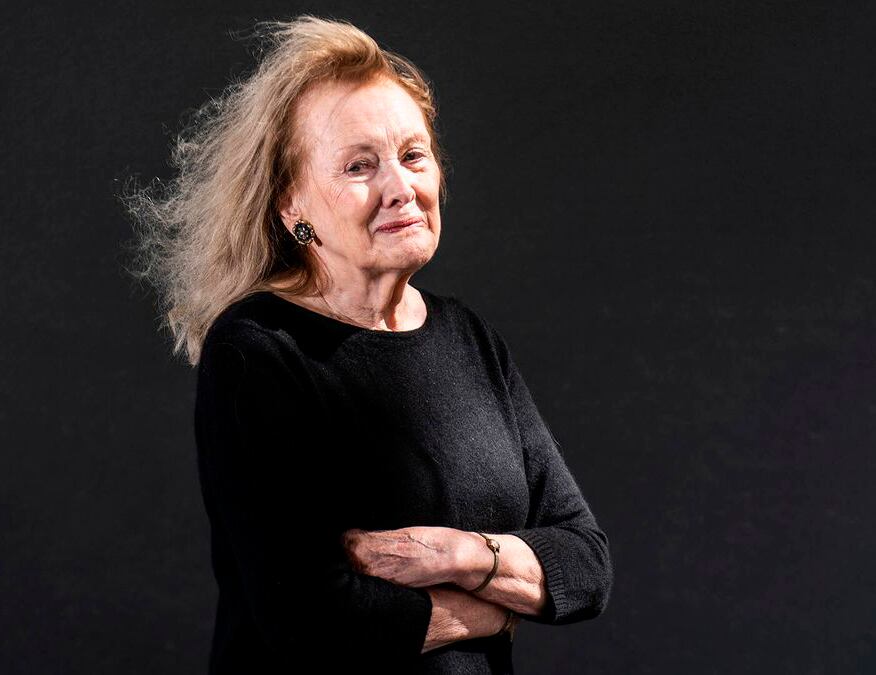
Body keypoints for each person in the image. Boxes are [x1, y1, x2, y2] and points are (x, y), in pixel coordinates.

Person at [122, 14, 612, 675]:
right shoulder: (257, 352)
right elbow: (311, 621)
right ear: (293, 208)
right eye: (360, 166)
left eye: (413, 156)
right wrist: (498, 609)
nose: (400, 188)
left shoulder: (468, 338)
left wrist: (463, 556)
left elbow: (586, 562)